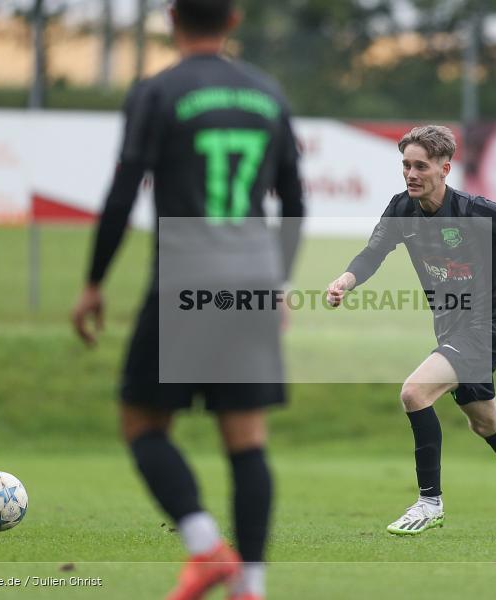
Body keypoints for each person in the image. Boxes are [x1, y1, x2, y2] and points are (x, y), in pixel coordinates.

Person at [71, 1, 304, 599]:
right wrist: (277, 282)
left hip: (185, 276)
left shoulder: (157, 91)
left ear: (171, 18)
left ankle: (205, 548)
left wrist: (94, 281)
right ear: (234, 19)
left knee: (142, 422)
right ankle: (250, 586)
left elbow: (124, 192)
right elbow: (295, 204)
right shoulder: (268, 93)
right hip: (252, 278)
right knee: (246, 440)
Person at [326, 125, 496, 538]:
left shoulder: (475, 213)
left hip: (486, 328)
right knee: (484, 422)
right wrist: (346, 281)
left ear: (445, 168)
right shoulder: (401, 210)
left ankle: (429, 502)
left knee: (414, 392)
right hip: (450, 329)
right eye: (405, 165)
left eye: (420, 166)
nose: (410, 174)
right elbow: (374, 253)